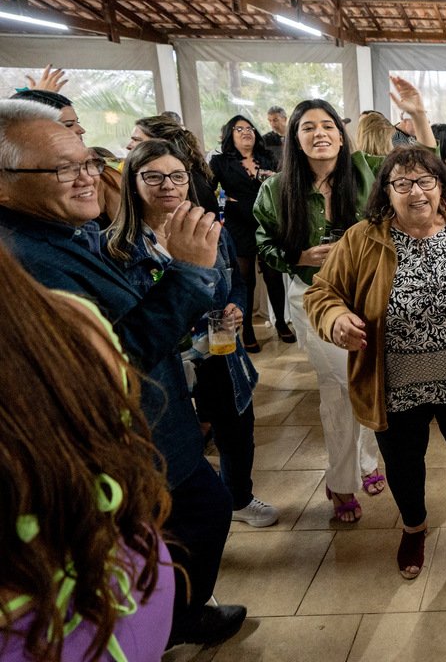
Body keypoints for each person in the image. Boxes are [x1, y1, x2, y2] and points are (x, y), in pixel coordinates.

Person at [0, 99, 246, 647]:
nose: (87, 178)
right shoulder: (27, 262)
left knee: (197, 518)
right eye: (64, 168)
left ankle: (176, 616)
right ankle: (165, 626)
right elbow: (112, 359)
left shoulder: (63, 234)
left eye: (88, 161)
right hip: (129, 440)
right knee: (193, 521)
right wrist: (185, 275)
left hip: (156, 427)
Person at [303, 146, 446, 579]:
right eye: (402, 183)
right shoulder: (363, 238)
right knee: (403, 465)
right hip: (395, 385)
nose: (415, 192)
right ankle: (414, 527)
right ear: (387, 191)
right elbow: (321, 294)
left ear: (442, 186)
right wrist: (335, 318)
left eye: (425, 181)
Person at [0, 245, 176, 662]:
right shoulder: (71, 318)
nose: (86, 178)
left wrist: (187, 276)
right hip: (124, 565)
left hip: (64, 611)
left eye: (94, 171)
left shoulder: (71, 321)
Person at [254, 93, 411, 523]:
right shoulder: (274, 188)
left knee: (371, 378)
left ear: (342, 138)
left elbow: (420, 169)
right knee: (342, 387)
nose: (320, 134)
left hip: (370, 295)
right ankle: (342, 481)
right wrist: (299, 257)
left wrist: (417, 116)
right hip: (312, 299)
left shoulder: (365, 171)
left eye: (327, 126)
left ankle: (367, 461)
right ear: (295, 139)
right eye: (308, 128)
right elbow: (263, 241)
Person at [104, 140, 277, 530]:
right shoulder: (116, 248)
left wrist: (234, 305)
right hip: (163, 364)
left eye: (177, 176)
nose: (168, 185)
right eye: (154, 176)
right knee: (176, 445)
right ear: (132, 183)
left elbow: (236, 281)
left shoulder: (209, 229)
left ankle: (238, 498)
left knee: (235, 431)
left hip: (218, 351)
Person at [209, 115, 293, 350]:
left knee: (274, 277)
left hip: (269, 223)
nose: (246, 132)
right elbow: (208, 193)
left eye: (250, 128)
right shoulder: (220, 162)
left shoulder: (268, 158)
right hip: (238, 225)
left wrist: (275, 178)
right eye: (239, 129)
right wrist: (226, 204)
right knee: (245, 280)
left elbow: (284, 186)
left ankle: (281, 323)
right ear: (229, 134)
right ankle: (247, 329)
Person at [126, 115, 220, 215]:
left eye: (136, 140)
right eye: (153, 177)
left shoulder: (191, 181)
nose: (128, 146)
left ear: (161, 144)